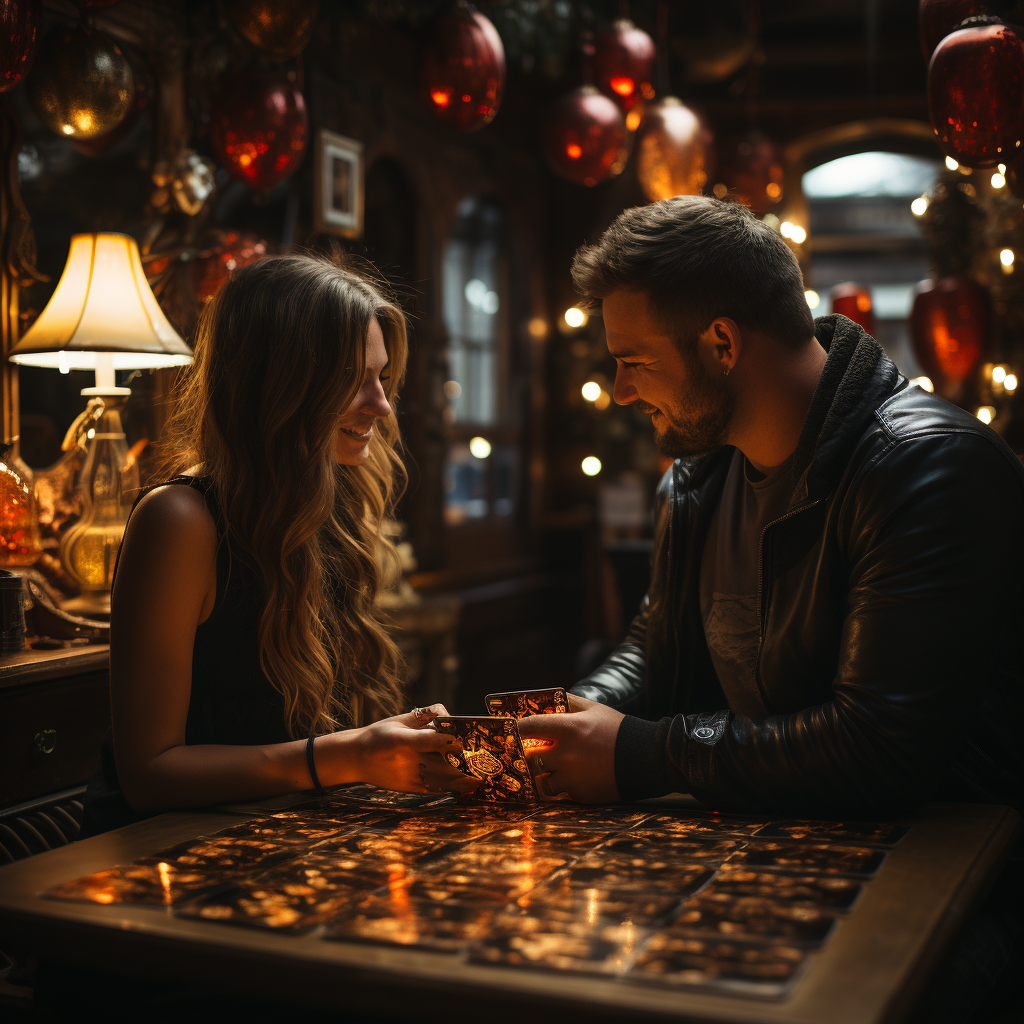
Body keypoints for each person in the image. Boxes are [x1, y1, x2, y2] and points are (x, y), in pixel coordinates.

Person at [519, 195, 1024, 815]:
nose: (622, 391)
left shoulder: (929, 467)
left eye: (634, 362)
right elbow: (655, 653)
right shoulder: (695, 480)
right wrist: (555, 726)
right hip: (785, 844)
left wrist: (640, 754)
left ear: (722, 344)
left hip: (951, 878)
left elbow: (879, 748)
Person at [80, 255, 475, 838]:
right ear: (280, 382)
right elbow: (148, 774)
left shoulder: (330, 511)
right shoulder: (180, 519)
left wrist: (388, 742)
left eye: (382, 378)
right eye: (353, 379)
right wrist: (350, 755)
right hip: (167, 857)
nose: (381, 405)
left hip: (281, 839)